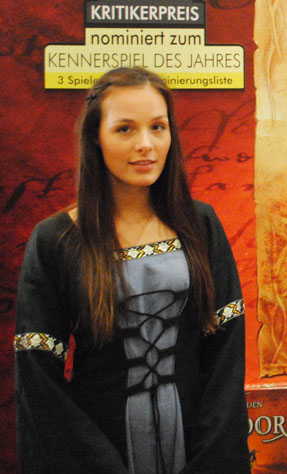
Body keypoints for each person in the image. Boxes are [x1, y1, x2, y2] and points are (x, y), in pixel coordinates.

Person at [14, 67, 250, 474]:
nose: (145, 144)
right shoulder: (55, 240)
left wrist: (208, 461)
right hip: (99, 451)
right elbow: (38, 380)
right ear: (96, 137)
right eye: (125, 129)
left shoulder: (201, 225)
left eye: (157, 127)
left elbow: (226, 358)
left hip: (198, 449)